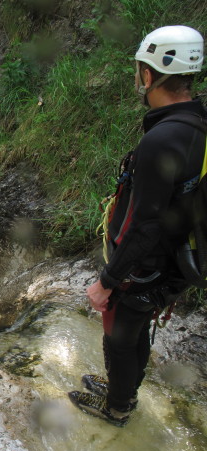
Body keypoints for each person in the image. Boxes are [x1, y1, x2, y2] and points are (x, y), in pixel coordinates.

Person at [68, 25, 206, 427]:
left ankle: (118, 406)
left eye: (139, 70)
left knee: (121, 336)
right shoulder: (195, 123)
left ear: (148, 75)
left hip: (148, 266)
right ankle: (121, 389)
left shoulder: (162, 140)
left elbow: (144, 226)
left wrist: (108, 280)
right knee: (134, 328)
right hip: (176, 258)